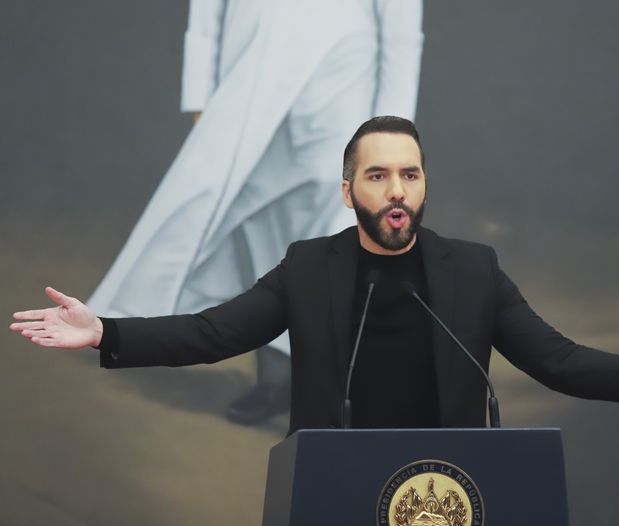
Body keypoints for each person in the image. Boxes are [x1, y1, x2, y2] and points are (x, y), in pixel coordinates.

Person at [10, 117, 619, 434]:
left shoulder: (471, 271)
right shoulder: (310, 268)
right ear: (349, 191)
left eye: (409, 173)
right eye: (377, 176)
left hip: (446, 497)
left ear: (425, 185)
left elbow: (558, 359)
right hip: (333, 492)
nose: (397, 189)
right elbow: (214, 331)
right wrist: (104, 330)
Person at [85, 0, 424, 424]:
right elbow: (207, 10)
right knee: (263, 236)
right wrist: (201, 95)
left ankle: (341, 387)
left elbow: (401, 31)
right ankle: (276, 379)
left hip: (342, 85)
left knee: (341, 240)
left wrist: (392, 131)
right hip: (250, 80)